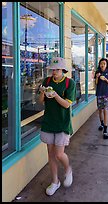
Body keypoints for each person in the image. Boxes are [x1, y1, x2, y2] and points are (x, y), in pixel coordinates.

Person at [39, 57, 76, 196]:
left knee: (59, 154)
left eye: (57, 70)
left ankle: (68, 169)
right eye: (53, 69)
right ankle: (55, 181)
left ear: (63, 70)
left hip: (62, 123)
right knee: (50, 154)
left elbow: (67, 104)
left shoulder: (69, 83)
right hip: (49, 121)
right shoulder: (47, 81)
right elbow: (41, 101)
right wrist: (43, 92)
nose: (54, 72)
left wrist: (55, 95)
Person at [94, 58, 108, 139]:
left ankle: (105, 129)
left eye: (104, 64)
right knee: (100, 110)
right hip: (99, 94)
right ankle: (101, 123)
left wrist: (105, 79)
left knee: (105, 110)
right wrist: (97, 77)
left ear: (106, 64)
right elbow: (96, 83)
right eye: (101, 63)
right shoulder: (97, 72)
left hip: (106, 94)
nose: (102, 65)